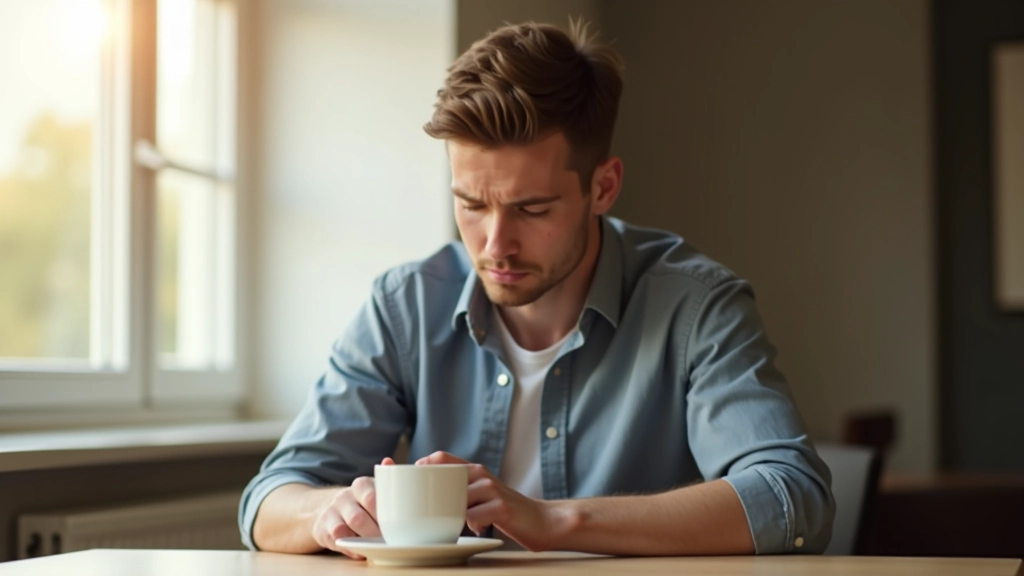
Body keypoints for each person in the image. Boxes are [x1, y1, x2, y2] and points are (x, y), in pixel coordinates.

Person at [239, 20, 834, 558]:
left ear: (603, 187)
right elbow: (267, 501)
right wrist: (328, 510)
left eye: (531, 208)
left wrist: (552, 521)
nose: (495, 244)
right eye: (470, 204)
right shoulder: (405, 306)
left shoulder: (697, 307)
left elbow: (791, 498)